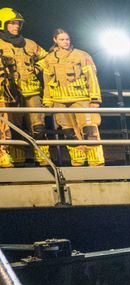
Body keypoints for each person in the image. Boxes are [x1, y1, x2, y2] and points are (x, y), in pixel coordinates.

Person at [39, 28, 102, 166]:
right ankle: (78, 159)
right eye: (62, 39)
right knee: (68, 131)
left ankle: (95, 161)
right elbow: (46, 82)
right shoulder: (49, 59)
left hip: (81, 98)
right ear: (55, 40)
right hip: (59, 101)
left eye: (67, 39)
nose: (65, 42)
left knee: (89, 129)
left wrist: (95, 99)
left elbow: (92, 77)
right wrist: (47, 102)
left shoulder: (81, 55)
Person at [0, 7, 49, 166]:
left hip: (32, 91)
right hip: (9, 93)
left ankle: (43, 158)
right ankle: (17, 159)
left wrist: (37, 68)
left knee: (38, 127)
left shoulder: (30, 44)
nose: (16, 27)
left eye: (18, 24)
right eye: (12, 23)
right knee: (13, 128)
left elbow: (47, 58)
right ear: (3, 24)